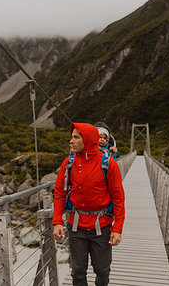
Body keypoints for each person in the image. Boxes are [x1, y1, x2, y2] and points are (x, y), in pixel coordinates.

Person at [53, 123, 125, 286]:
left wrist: (118, 228)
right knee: (77, 271)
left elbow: (118, 197)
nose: (71, 141)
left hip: (102, 225)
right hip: (76, 226)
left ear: (87, 140)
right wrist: (57, 221)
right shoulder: (69, 162)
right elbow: (59, 192)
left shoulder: (108, 164)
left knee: (102, 270)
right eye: (72, 137)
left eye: (76, 137)